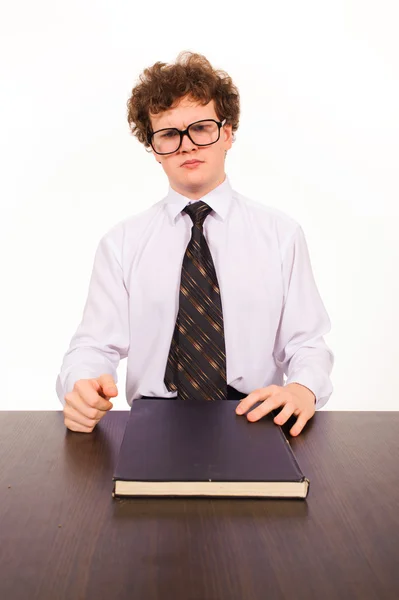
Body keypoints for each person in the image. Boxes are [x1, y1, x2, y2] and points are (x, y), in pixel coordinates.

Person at [56, 51, 334, 436]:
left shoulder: (280, 234)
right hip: (153, 423)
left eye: (200, 128)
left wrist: (304, 389)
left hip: (254, 417)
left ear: (228, 133)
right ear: (153, 149)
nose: (186, 145)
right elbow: (93, 347)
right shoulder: (121, 243)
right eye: (169, 134)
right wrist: (80, 386)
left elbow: (306, 344)